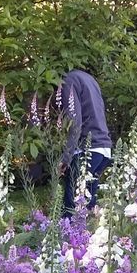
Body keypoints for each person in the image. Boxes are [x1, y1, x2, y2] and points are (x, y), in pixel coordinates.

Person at [58, 69, 112, 216]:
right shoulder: (90, 80)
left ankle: (67, 237)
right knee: (88, 206)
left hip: (87, 150)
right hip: (103, 148)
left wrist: (66, 158)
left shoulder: (69, 80)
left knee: (71, 207)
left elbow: (74, 121)